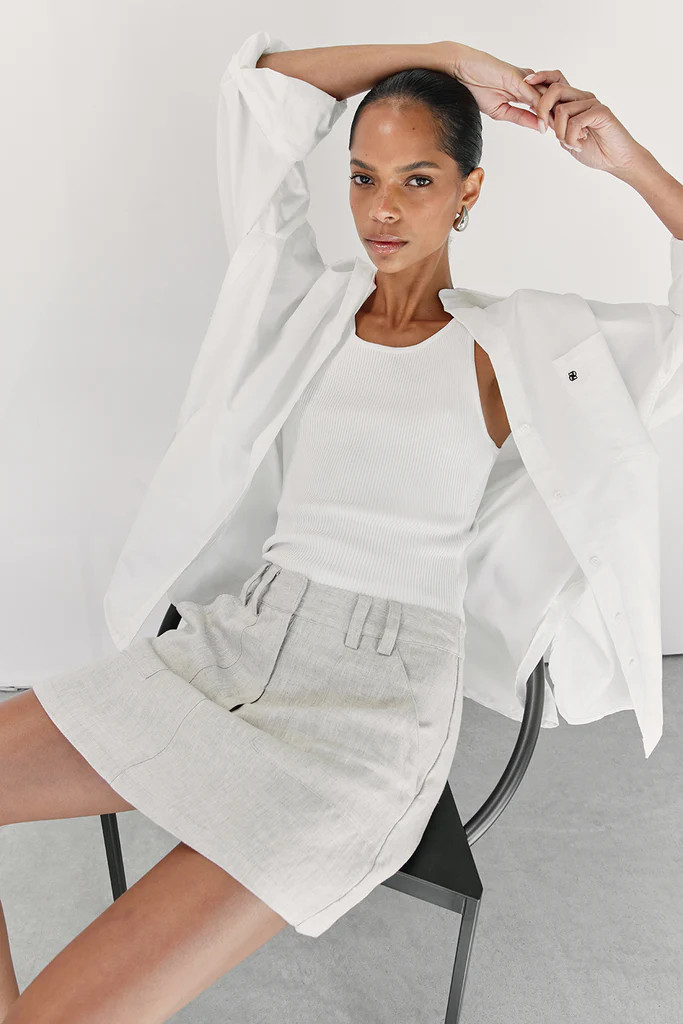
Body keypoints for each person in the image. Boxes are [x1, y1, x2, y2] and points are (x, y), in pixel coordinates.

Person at [1, 30, 682, 1023]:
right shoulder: (303, 306)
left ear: (469, 191)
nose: (382, 209)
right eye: (363, 178)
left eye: (417, 180)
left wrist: (627, 161)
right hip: (230, 652)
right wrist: (445, 54)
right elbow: (259, 92)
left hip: (370, 718)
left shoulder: (517, 346)